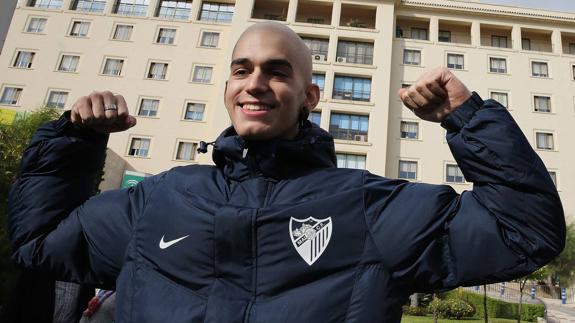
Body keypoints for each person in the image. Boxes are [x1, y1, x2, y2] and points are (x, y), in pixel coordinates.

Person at [8, 21, 565, 322]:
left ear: (310, 95)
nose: (254, 83)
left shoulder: (368, 207)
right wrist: (75, 143)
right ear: (227, 89)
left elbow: (523, 233)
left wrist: (465, 119)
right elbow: (38, 242)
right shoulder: (159, 200)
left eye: (277, 72)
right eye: (241, 70)